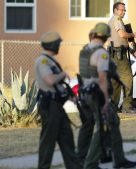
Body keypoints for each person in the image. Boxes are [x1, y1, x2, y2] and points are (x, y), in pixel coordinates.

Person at [78, 22, 136, 169]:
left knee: (91, 125)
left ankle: (80, 158)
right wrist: (106, 101)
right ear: (105, 36)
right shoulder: (101, 53)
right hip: (97, 95)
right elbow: (103, 77)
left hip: (84, 93)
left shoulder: (85, 50)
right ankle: (93, 163)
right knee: (103, 127)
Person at [34, 31, 81, 169]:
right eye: (58, 43)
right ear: (52, 44)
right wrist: (63, 74)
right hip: (50, 107)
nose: (59, 46)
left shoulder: (51, 60)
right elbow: (49, 80)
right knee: (48, 143)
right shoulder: (42, 61)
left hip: (57, 106)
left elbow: (57, 85)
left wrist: (70, 95)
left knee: (67, 139)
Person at [108, 2, 136, 113]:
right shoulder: (117, 20)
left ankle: (113, 106)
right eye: (122, 10)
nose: (123, 12)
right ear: (116, 10)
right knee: (127, 79)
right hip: (119, 55)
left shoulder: (112, 20)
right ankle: (127, 106)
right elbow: (122, 35)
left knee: (115, 81)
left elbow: (119, 41)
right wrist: (133, 34)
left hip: (114, 54)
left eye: (124, 10)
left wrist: (131, 51)